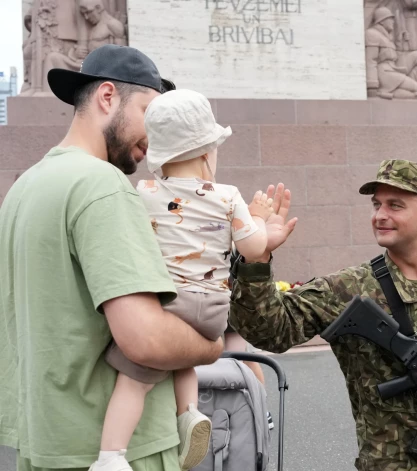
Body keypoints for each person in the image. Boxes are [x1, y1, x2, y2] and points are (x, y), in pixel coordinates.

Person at [0, 45, 225, 471]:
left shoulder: (25, 187)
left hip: (45, 444)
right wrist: (211, 345)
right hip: (122, 452)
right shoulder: (102, 187)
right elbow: (145, 339)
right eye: (150, 113)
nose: (155, 136)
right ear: (108, 97)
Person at [228, 159, 417, 470]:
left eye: (395, 205)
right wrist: (256, 258)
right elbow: (269, 332)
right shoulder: (349, 288)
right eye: (377, 204)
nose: (380, 215)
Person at [94, 89, 273, 471]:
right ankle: (190, 412)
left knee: (134, 380)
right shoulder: (228, 196)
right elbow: (255, 247)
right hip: (212, 311)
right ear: (208, 151)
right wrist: (259, 219)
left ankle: (111, 456)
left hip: (168, 302)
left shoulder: (145, 192)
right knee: (184, 357)